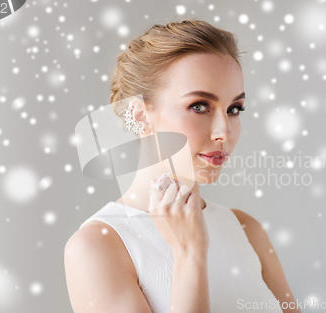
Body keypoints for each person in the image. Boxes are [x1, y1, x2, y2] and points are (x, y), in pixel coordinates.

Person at [64, 19, 301, 313]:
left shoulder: (245, 228)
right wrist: (189, 254)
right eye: (199, 106)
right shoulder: (98, 246)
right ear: (139, 116)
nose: (224, 132)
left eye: (234, 109)